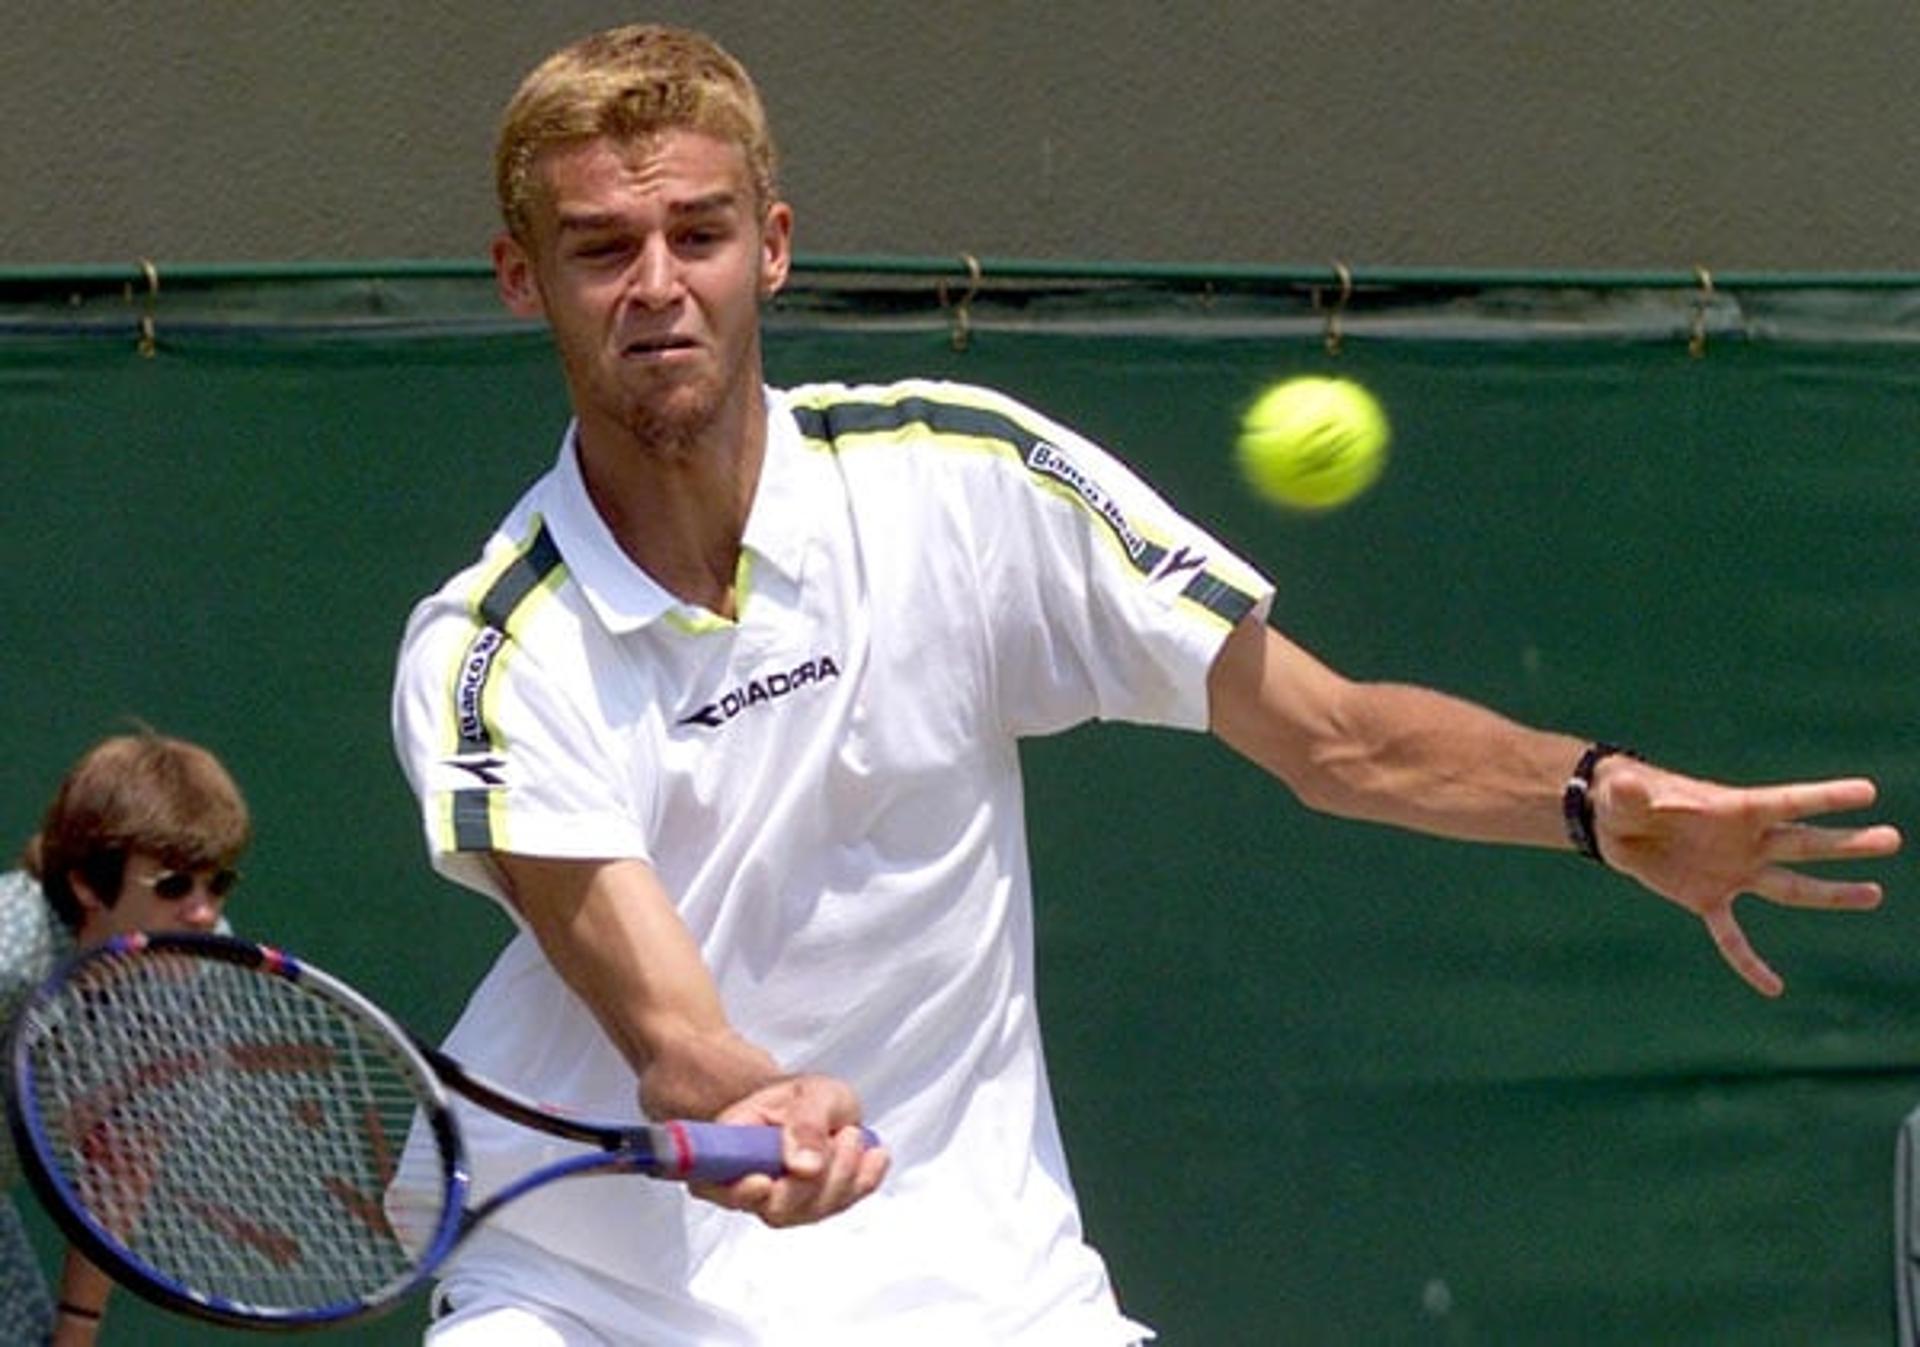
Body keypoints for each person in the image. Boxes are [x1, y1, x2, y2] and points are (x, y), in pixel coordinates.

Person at [388, 23, 1904, 1346]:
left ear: (772, 245)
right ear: (525, 278)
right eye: (602, 248)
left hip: (982, 1288)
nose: (658, 286)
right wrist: (753, 1095)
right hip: (593, 1297)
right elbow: (672, 1030)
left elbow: (1336, 738)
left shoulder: (961, 480)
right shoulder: (493, 649)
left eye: (699, 235)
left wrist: (1593, 797)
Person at [0, 729, 251, 1346]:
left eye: (216, 884)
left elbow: (126, 1154)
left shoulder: (200, 967)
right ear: (88, 884)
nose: (201, 910)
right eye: (172, 886)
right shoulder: (9, 953)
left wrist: (76, 1331)